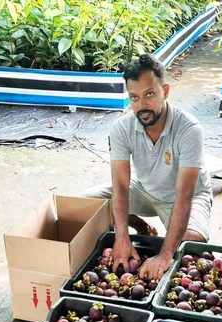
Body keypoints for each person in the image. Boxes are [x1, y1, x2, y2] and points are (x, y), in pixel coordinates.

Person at [81, 53, 213, 280]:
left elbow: (184, 195)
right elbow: (121, 185)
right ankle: (144, 227)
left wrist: (164, 254)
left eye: (149, 94)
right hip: (144, 188)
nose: (142, 105)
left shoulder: (189, 129)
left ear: (166, 91)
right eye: (134, 97)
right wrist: (122, 236)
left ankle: (167, 242)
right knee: (87, 204)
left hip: (182, 195)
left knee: (190, 242)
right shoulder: (122, 129)